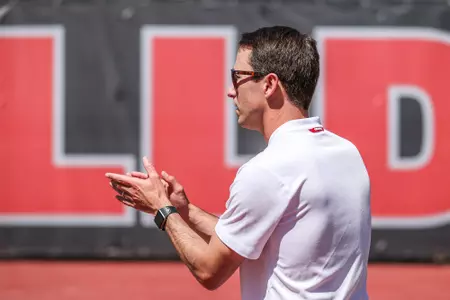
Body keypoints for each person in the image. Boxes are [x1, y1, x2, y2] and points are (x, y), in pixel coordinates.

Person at [106, 26, 372, 300]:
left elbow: (210, 271)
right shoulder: (346, 153)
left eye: (238, 77)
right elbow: (256, 237)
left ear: (269, 84)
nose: (230, 91)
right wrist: (185, 212)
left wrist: (162, 210)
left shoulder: (268, 171)